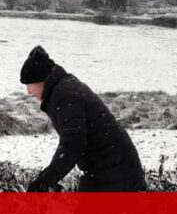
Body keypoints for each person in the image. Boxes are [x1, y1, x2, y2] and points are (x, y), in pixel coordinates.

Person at [20, 46, 148, 192]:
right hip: (110, 170)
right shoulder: (64, 88)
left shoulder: (65, 95)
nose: (28, 92)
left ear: (40, 80)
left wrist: (46, 180)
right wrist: (49, 178)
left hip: (114, 173)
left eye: (29, 85)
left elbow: (73, 144)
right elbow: (71, 143)